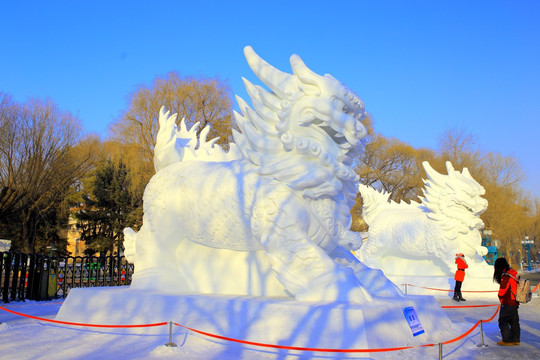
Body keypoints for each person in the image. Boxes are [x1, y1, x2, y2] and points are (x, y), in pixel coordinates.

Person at [493, 257, 520, 346]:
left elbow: (503, 290)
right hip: (514, 301)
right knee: (514, 321)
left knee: (503, 321)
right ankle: (516, 339)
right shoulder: (512, 273)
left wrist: (500, 297)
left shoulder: (506, 276)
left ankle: (507, 340)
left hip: (507, 302)